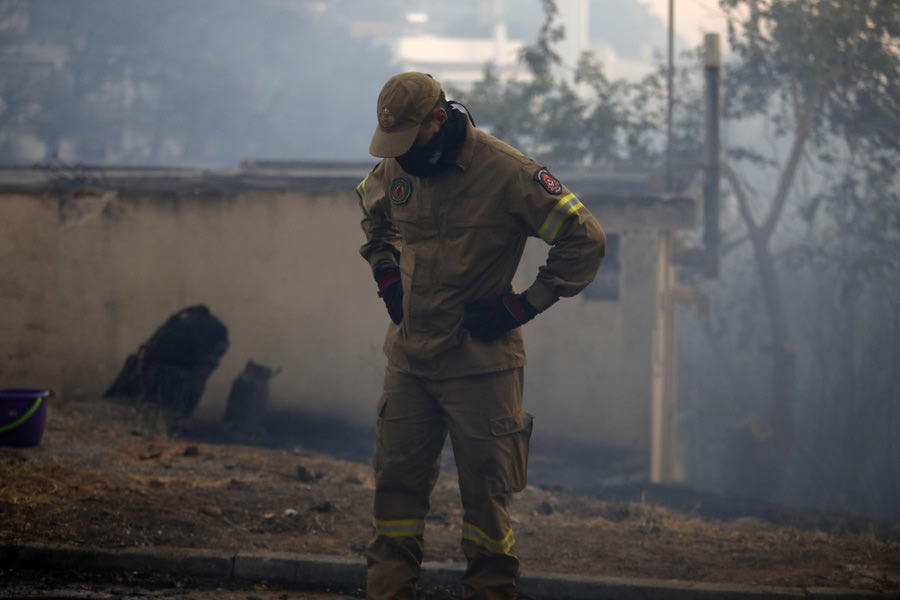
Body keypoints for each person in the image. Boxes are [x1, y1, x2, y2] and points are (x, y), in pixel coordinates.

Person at [356, 71, 606, 600]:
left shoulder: (509, 173)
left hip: (481, 366)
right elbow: (374, 218)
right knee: (395, 494)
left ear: (438, 120)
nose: (399, 155)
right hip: (410, 361)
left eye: (408, 139)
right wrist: (386, 276)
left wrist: (522, 306)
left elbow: (585, 240)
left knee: (486, 503)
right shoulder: (398, 165)